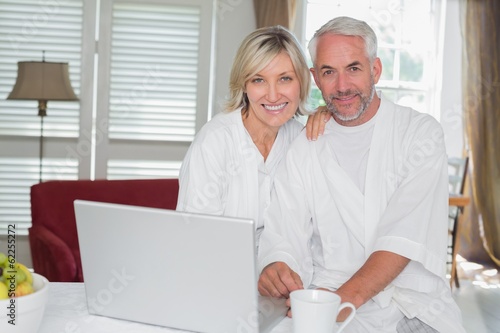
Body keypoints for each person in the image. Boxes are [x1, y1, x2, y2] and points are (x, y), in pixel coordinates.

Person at [257, 16, 466, 333]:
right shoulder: (305, 147)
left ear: (376, 70)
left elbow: (403, 238)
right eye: (329, 72)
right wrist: (277, 264)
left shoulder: (420, 135)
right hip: (326, 293)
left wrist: (337, 305)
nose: (341, 86)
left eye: (353, 68)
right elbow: (285, 230)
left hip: (410, 303)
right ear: (315, 77)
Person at [176, 25, 326, 245]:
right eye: (259, 80)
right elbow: (195, 238)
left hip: (286, 269)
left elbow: (313, 228)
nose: (273, 95)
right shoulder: (215, 141)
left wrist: (329, 118)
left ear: (301, 82)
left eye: (285, 78)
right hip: (220, 270)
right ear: (244, 85)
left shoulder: (301, 138)